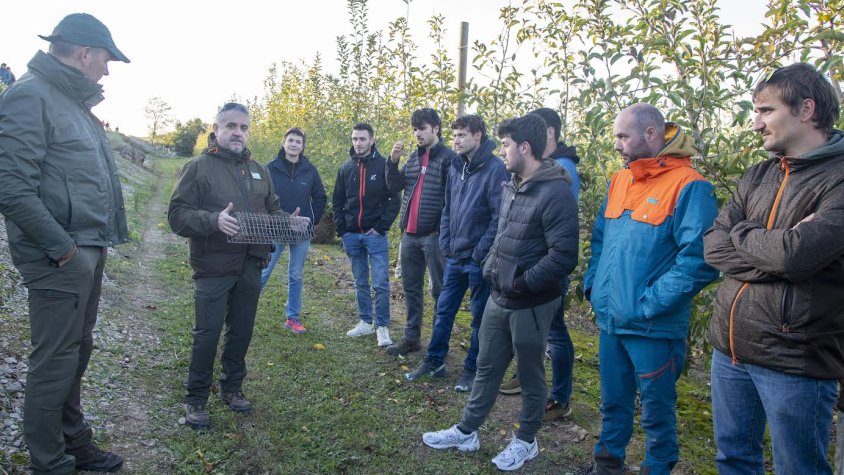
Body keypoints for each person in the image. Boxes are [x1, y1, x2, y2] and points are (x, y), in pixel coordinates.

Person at [0, 13, 130, 474]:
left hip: (84, 249)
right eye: (106, 59)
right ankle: (50, 462)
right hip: (59, 257)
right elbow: (10, 187)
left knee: (75, 354)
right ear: (85, 53)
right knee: (55, 361)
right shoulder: (29, 95)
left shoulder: (71, 102)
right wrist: (65, 251)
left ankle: (74, 442)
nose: (107, 70)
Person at [703, 62, 844, 474]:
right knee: (732, 459)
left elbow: (795, 256)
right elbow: (713, 246)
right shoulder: (759, 174)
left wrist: (744, 236)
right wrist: (774, 248)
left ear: (806, 109)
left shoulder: (838, 179)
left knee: (798, 468)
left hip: (793, 357)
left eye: (766, 110)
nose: (756, 123)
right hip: (730, 348)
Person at [421, 114, 578, 471]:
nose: (502, 151)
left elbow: (564, 256)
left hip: (532, 302)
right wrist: (492, 269)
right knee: (487, 367)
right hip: (499, 295)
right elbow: (501, 234)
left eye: (506, 145)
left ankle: (526, 441)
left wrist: (522, 283)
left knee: (530, 375)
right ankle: (467, 431)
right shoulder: (511, 185)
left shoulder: (556, 192)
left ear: (525, 147)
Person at [581, 103, 719, 474]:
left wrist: (648, 304)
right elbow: (600, 239)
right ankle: (607, 466)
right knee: (613, 402)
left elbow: (700, 260)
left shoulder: (690, 185)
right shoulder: (619, 180)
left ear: (651, 134)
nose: (617, 144)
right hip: (612, 320)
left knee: (656, 413)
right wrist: (594, 286)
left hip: (652, 327)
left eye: (623, 136)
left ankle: (657, 468)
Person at [168, 102, 310, 430]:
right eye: (231, 126)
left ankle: (231, 388)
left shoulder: (258, 170)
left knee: (242, 330)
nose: (238, 133)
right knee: (207, 333)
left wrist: (288, 222)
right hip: (214, 264)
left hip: (251, 263)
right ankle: (196, 399)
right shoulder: (198, 167)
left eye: (244, 127)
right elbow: (177, 215)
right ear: (216, 129)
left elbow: (271, 211)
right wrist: (212, 221)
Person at [405, 114, 509, 393]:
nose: (457, 140)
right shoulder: (455, 166)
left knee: (478, 318)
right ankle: (434, 361)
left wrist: (478, 253)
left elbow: (498, 218)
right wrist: (446, 242)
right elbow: (447, 208)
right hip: (453, 255)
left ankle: (472, 370)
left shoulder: (495, 169)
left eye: (462, 135)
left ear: (478, 135)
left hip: (477, 259)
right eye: (455, 135)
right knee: (443, 309)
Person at [499, 107, 581, 423]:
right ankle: (525, 376)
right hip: (527, 267)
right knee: (533, 330)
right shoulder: (539, 167)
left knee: (555, 331)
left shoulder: (562, 169)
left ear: (549, 132)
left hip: (545, 269)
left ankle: (560, 396)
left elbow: (557, 226)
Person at [385, 108, 457, 356]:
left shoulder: (449, 159)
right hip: (410, 235)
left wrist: (442, 232)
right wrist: (392, 161)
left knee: (440, 292)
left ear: (436, 128)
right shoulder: (414, 158)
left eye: (422, 128)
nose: (417, 133)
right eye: (415, 129)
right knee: (411, 288)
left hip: (434, 237)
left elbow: (453, 200)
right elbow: (395, 185)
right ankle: (411, 338)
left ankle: (438, 345)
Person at [333, 122, 401, 347]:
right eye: (355, 139)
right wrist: (342, 231)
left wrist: (381, 227)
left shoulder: (383, 166)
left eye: (362, 139)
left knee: (380, 283)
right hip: (352, 235)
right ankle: (365, 322)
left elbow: (394, 199)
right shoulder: (346, 168)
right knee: (360, 281)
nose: (358, 143)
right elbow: (338, 201)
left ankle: (382, 327)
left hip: (375, 236)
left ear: (372, 140)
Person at [260, 127, 327, 334]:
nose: (294, 144)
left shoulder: (310, 170)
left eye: (298, 141)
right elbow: (261, 197)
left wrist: (309, 221)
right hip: (276, 229)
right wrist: (271, 220)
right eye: (291, 140)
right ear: (284, 142)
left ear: (303, 146)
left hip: (301, 233)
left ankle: (293, 318)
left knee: (296, 275)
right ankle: (241, 309)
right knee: (263, 271)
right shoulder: (270, 168)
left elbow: (320, 197)